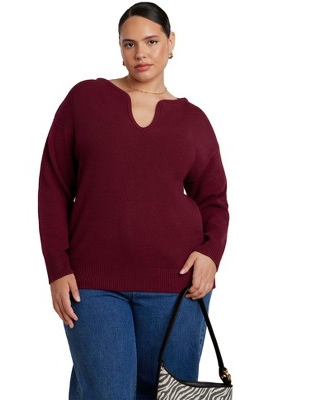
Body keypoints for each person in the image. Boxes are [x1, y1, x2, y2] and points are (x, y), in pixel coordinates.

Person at [38, 2, 229, 399]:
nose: (140, 53)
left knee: (167, 395)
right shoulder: (85, 99)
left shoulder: (193, 120)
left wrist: (211, 254)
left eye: (151, 41)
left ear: (171, 43)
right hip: (92, 285)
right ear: (120, 48)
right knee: (106, 392)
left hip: (177, 284)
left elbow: (214, 200)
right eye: (129, 44)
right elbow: (53, 184)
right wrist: (57, 266)